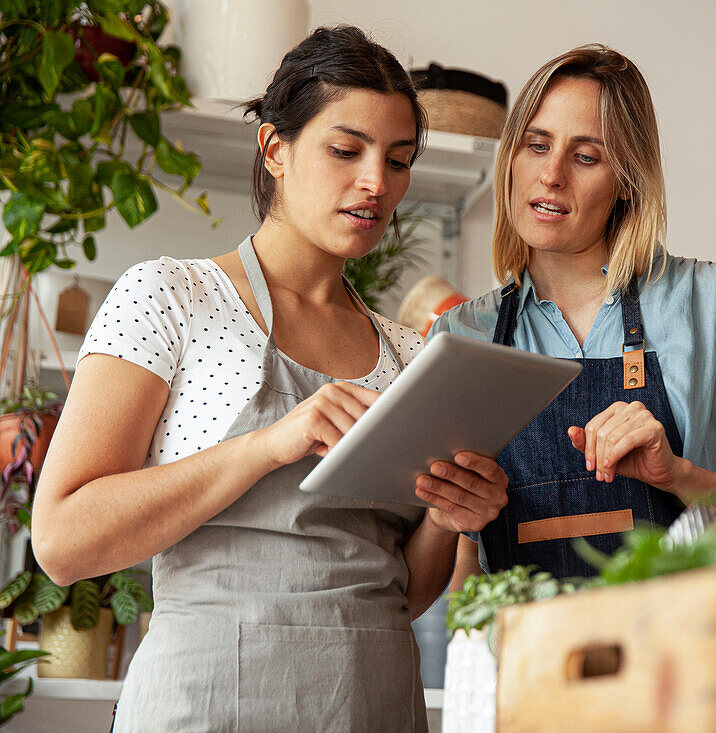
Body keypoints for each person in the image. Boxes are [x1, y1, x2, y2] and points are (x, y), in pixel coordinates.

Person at [31, 26, 506, 731]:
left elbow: (401, 593)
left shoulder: (411, 353)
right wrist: (267, 445)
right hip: (204, 704)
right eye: (346, 150)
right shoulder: (170, 297)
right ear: (275, 148)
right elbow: (64, 541)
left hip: (373, 705)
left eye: (398, 159)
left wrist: (448, 512)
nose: (376, 182)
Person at [429, 45, 716, 582]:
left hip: (690, 652)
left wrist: (679, 475)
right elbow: (456, 576)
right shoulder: (461, 339)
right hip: (533, 658)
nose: (551, 175)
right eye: (537, 145)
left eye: (586, 156)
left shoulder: (715, 305)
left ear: (626, 182)